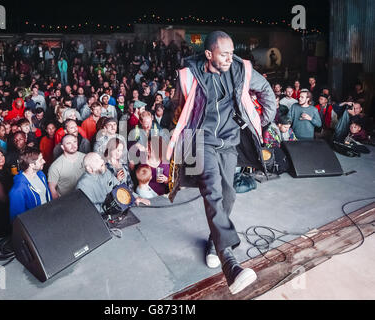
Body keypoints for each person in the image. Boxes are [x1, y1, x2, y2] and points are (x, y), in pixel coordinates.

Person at [168, 31, 277, 295]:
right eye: (224, 54)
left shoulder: (241, 69)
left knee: (228, 195)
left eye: (231, 52)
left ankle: (214, 241)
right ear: (209, 54)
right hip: (201, 141)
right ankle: (230, 263)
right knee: (212, 191)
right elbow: (177, 108)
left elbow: (266, 92)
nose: (230, 57)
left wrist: (261, 124)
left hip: (229, 141)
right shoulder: (189, 74)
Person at [76, 152, 149, 214]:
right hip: (98, 217)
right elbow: (87, 209)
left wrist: (136, 198)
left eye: (100, 158)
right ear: (89, 169)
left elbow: (120, 187)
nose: (102, 161)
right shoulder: (83, 185)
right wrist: (108, 210)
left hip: (114, 210)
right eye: (97, 161)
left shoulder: (105, 171)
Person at [9, 148, 51, 221]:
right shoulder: (18, 190)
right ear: (31, 165)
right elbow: (17, 220)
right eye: (41, 160)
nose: (44, 161)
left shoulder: (41, 174)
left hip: (47, 217)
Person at [48, 134, 85, 199]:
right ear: (62, 147)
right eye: (68, 143)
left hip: (85, 198)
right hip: (67, 201)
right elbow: (52, 188)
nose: (73, 145)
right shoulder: (55, 166)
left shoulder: (85, 158)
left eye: (74, 142)